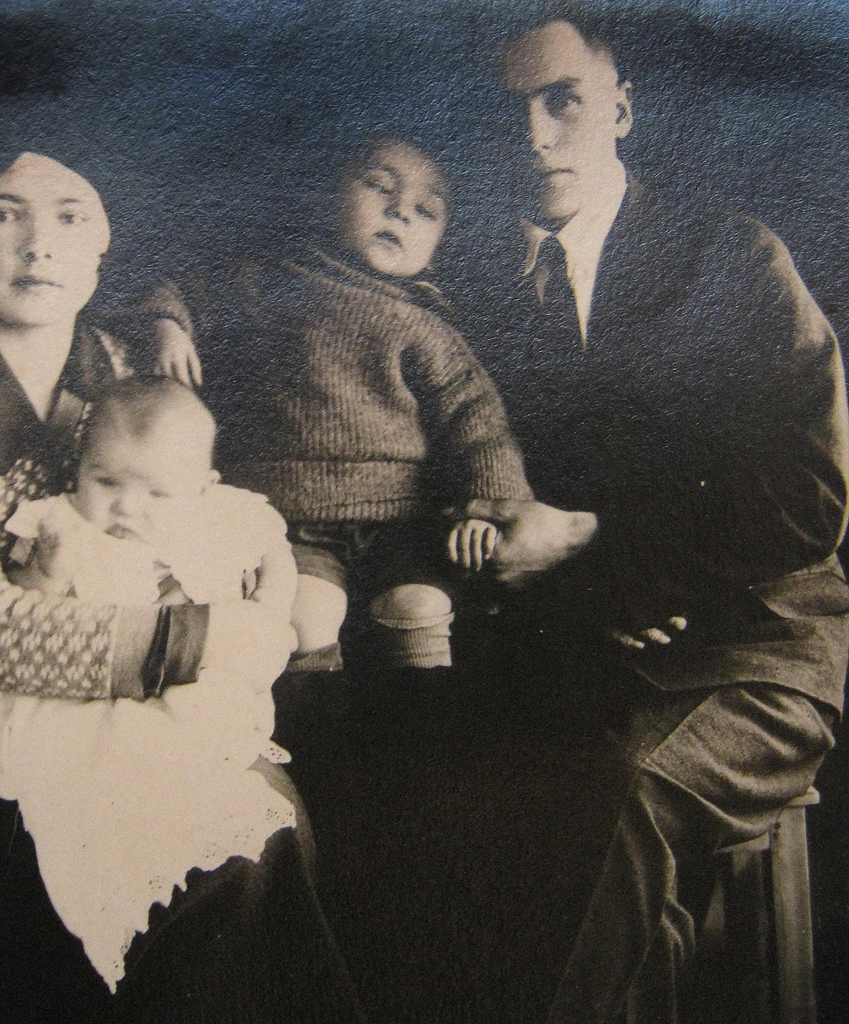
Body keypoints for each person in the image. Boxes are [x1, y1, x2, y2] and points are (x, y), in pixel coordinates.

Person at [0, 151, 363, 1023]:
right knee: (224, 860)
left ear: (105, 240)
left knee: (268, 811)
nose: (39, 244)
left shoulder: (114, 367)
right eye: (0, 212)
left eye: (70, 215)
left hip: (115, 720)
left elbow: (192, 514)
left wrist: (254, 583)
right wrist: (201, 638)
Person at [468, 15, 849, 1023]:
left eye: (562, 100)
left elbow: (806, 493)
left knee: (618, 799)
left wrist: (601, 546)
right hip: (573, 646)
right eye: (508, 111)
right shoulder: (464, 289)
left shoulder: (730, 258)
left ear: (620, 110)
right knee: (456, 809)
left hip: (753, 648)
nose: (533, 135)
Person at [150, 135, 595, 678]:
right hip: (292, 517)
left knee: (420, 607)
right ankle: (315, 722)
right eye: (379, 186)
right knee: (306, 617)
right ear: (328, 197)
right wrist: (167, 326)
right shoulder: (264, 281)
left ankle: (417, 718)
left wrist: (493, 509)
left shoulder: (427, 325)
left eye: (425, 211)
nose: (399, 210)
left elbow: (478, 423)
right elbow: (176, 289)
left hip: (402, 523)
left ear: (441, 241)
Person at [0, 375, 303, 991]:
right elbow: (18, 613)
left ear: (201, 487)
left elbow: (274, 559)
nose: (127, 507)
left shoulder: (220, 517)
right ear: (80, 469)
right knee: (114, 780)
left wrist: (265, 614)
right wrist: (46, 575)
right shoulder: (58, 526)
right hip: (83, 696)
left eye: (156, 492)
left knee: (215, 769)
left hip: (190, 687)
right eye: (105, 482)